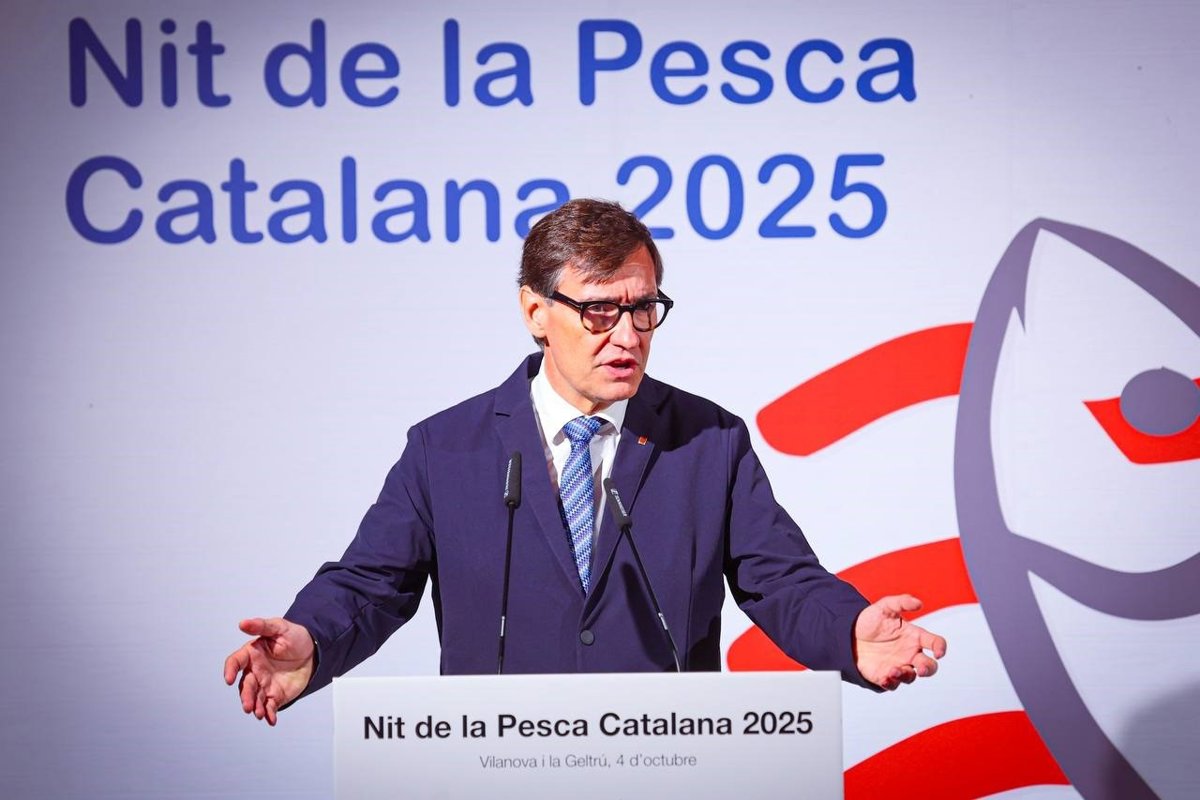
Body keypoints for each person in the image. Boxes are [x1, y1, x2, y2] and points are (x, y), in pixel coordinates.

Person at [224, 199, 947, 726]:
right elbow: (371, 584)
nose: (627, 335)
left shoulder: (708, 441)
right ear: (536, 312)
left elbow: (781, 580)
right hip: (494, 763)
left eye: (643, 309)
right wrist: (310, 640)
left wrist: (849, 633)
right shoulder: (446, 449)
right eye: (599, 310)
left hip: (668, 762)